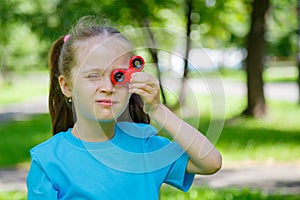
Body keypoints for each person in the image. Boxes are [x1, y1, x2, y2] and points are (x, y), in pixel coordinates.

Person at [26, 16, 222, 200]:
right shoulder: (48, 160)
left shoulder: (145, 146)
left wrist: (157, 109)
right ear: (67, 86)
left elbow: (211, 162)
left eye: (118, 76)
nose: (107, 88)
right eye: (93, 75)